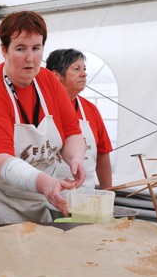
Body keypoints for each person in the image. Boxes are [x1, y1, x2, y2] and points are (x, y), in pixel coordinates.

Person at [0, 11, 86, 228]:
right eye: (21, 49)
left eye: (36, 48)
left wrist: (75, 159)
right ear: (4, 49)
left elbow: (72, 131)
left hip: (38, 191)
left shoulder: (48, 83)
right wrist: (44, 183)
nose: (30, 58)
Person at [46, 49, 113, 189]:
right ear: (56, 75)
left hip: (85, 196)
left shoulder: (90, 110)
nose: (84, 73)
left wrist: (107, 194)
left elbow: (103, 156)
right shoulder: (42, 109)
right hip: (49, 196)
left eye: (84, 69)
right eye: (76, 69)